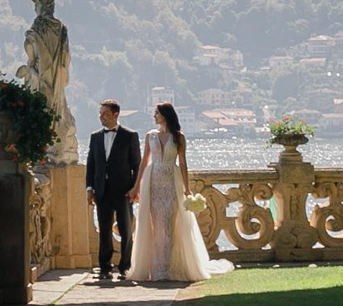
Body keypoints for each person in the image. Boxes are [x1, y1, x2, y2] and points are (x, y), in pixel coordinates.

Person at [132, 101, 232, 283]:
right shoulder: (150, 136)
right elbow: (143, 162)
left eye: (156, 113)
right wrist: (137, 186)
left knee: (169, 225)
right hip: (153, 182)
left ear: (165, 115)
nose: (154, 116)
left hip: (171, 181)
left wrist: (186, 188)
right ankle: (157, 268)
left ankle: (168, 268)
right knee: (155, 226)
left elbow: (183, 163)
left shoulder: (178, 137)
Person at [84, 100, 140, 283]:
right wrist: (89, 188)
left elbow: (136, 165)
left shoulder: (130, 135)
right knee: (104, 229)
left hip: (123, 191)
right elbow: (91, 165)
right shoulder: (95, 137)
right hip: (102, 190)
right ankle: (104, 267)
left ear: (115, 114)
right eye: (100, 113)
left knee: (125, 229)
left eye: (105, 113)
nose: (101, 116)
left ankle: (125, 267)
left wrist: (134, 188)